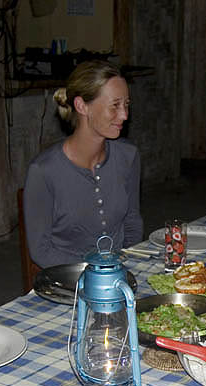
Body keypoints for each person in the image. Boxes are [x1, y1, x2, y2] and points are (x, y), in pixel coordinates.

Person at [23, 60, 143, 267]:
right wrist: (97, 273)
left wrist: (125, 266)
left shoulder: (128, 157)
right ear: (81, 106)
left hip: (120, 273)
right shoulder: (44, 172)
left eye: (126, 105)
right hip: (69, 280)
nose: (124, 115)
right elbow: (41, 251)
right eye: (115, 105)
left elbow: (132, 223)